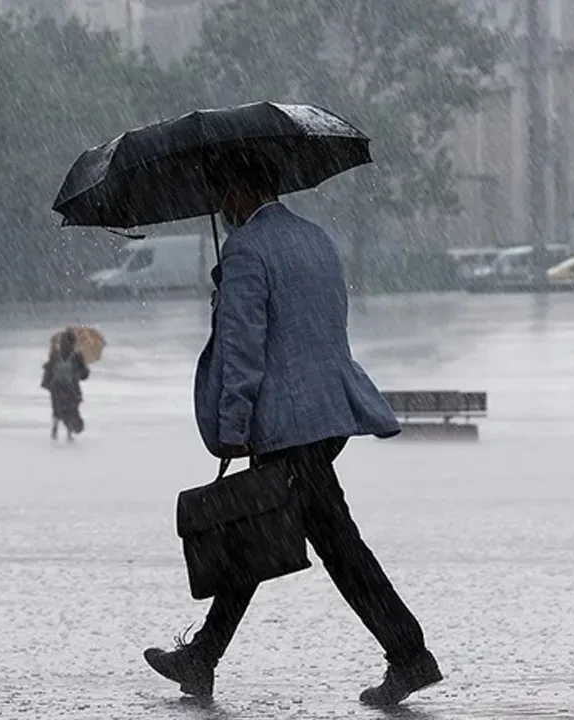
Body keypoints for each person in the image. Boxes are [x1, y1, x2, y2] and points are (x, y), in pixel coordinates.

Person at [142, 150, 439, 707]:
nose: (220, 205)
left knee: (333, 544)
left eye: (221, 192)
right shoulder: (316, 239)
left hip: (285, 425)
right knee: (258, 532)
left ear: (239, 189)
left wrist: (233, 426)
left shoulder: (247, 250)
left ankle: (409, 654)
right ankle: (203, 656)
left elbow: (243, 350)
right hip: (325, 414)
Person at [41, 329, 89, 441]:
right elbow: (84, 374)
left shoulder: (59, 355)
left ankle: (60, 429)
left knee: (61, 409)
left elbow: (49, 370)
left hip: (62, 387)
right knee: (67, 409)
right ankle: (64, 431)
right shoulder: (71, 356)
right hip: (66, 387)